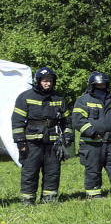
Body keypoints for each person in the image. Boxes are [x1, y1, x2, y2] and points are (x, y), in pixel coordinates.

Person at [12, 67, 73, 205]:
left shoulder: (58, 98)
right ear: (38, 81)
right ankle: (28, 200)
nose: (48, 84)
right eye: (45, 81)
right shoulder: (25, 97)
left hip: (53, 141)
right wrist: (20, 141)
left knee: (53, 171)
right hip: (31, 142)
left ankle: (49, 199)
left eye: (50, 81)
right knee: (30, 171)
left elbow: (66, 121)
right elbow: (17, 121)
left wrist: (68, 137)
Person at [72, 72, 111, 198]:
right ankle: (94, 194)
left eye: (103, 84)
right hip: (92, 143)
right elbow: (78, 120)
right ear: (92, 86)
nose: (101, 87)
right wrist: (92, 133)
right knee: (93, 169)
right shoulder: (83, 101)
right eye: (98, 85)